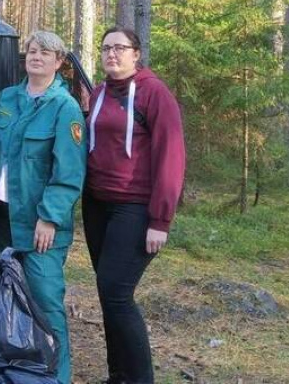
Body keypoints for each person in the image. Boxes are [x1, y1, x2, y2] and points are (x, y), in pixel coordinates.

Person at [84, 27, 186, 384]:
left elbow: (171, 158)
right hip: (98, 205)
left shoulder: (154, 94)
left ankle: (140, 379)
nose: (112, 54)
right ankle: (119, 376)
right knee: (106, 292)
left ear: (136, 53)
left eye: (120, 48)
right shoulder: (98, 92)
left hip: (136, 206)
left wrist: (161, 219)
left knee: (116, 293)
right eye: (106, 48)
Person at [0, 30, 86, 383]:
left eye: (45, 52)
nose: (36, 56)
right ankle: (10, 371)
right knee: (4, 299)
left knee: (46, 304)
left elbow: (69, 172)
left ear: (59, 62)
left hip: (40, 225)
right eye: (31, 51)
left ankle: (58, 377)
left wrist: (49, 217)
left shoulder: (65, 107)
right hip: (1, 219)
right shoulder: (8, 98)